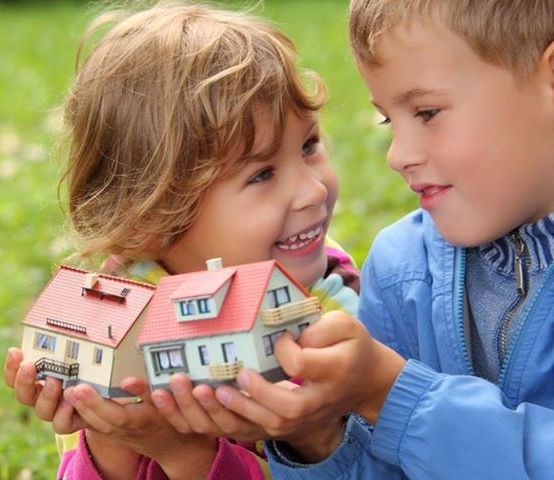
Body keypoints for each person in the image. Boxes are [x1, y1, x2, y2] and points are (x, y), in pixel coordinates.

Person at [167, 0, 554, 478]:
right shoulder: (400, 269)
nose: (398, 155)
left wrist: (391, 396)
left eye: (427, 112)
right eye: (391, 120)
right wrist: (315, 438)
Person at [2, 2, 360, 479]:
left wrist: (182, 452)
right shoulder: (112, 326)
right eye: (262, 174)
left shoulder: (327, 306)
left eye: (309, 145)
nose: (313, 190)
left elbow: (364, 467)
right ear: (153, 218)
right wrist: (109, 437)